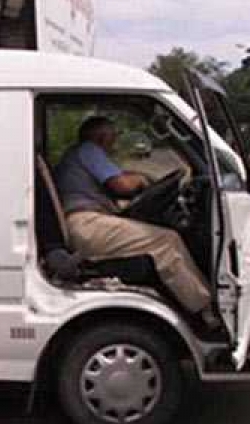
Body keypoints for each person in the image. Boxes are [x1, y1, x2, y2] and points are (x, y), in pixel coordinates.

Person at [54, 116, 219, 330]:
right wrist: (141, 179)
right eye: (113, 137)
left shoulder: (77, 155)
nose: (114, 143)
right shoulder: (89, 150)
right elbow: (122, 185)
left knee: (159, 236)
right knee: (166, 241)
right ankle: (207, 311)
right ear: (101, 137)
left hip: (86, 224)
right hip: (87, 224)